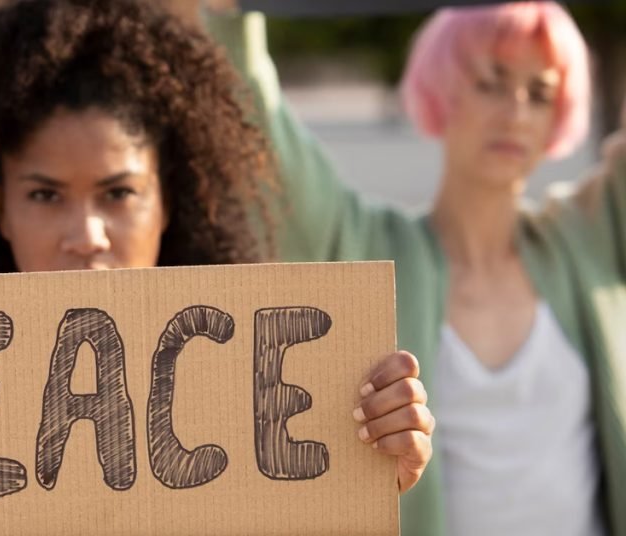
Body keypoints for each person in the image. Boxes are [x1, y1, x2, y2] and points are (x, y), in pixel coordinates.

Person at [0, 1, 436, 534]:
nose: (86, 234)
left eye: (119, 193)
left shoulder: (276, 402)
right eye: (44, 196)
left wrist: (368, 474)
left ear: (169, 203)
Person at [205, 2, 626, 535]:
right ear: (443, 92)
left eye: (539, 94)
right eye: (490, 83)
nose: (516, 112)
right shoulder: (369, 245)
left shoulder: (589, 239)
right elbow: (257, 124)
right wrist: (227, 16)